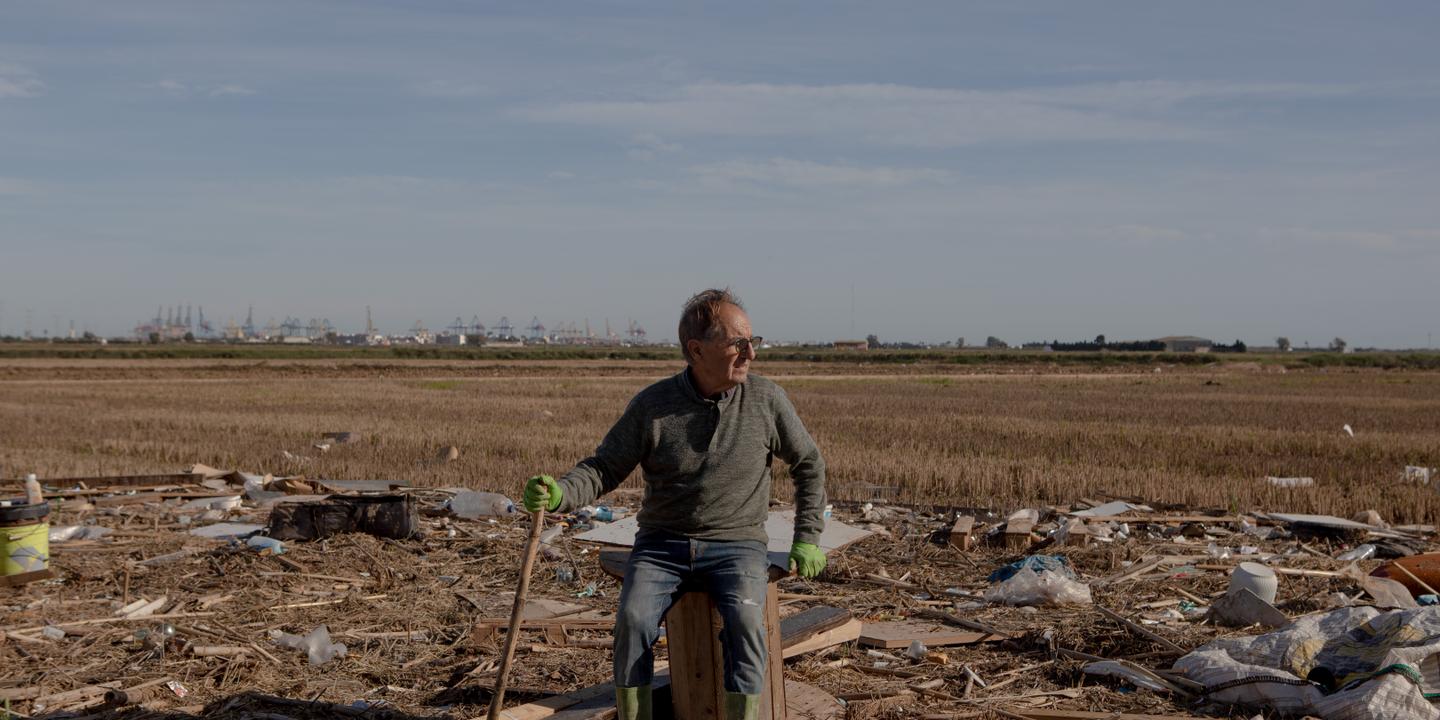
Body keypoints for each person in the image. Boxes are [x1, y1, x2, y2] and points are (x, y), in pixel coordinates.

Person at [523, 288, 827, 720]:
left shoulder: (766, 400)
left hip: (737, 544)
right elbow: (605, 467)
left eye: (753, 342)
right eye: (738, 343)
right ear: (696, 350)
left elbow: (809, 465)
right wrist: (560, 494)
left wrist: (808, 537)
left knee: (745, 624)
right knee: (632, 622)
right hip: (661, 545)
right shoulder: (653, 405)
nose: (751, 354)